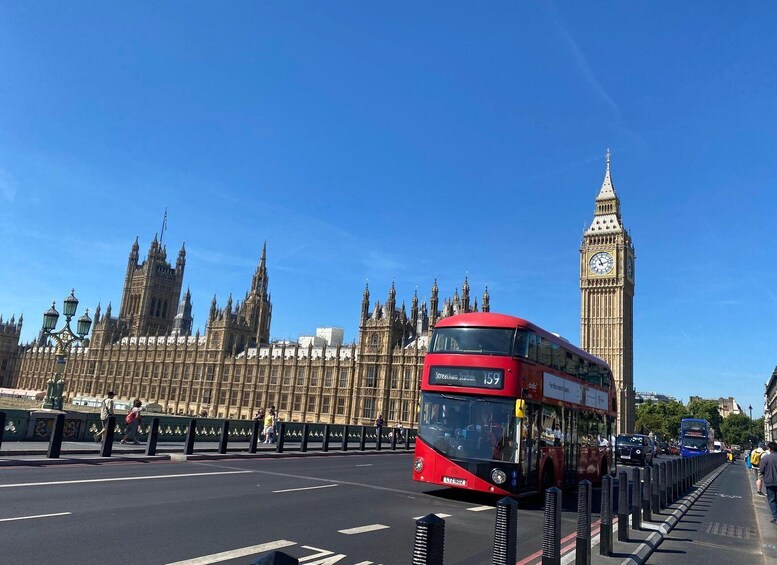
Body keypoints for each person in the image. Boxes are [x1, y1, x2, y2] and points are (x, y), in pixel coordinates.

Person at [759, 442, 777, 523]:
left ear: (769, 449)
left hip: (770, 481)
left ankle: (775, 517)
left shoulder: (766, 458)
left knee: (772, 499)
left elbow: (762, 469)